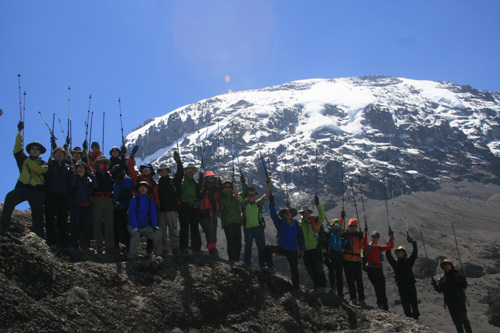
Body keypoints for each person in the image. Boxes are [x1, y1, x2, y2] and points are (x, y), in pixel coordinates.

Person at [1, 122, 48, 237]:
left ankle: (39, 237)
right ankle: (3, 228)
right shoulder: (23, 160)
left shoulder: (44, 163)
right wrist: (19, 132)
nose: (35, 150)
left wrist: (26, 160)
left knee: (38, 214)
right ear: (30, 150)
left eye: (37, 149)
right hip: (22, 188)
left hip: (36, 191)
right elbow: (17, 149)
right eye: (33, 148)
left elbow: (39, 170)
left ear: (40, 152)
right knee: (10, 198)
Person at [266, 200, 305, 291]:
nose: (287, 214)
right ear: (283, 214)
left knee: (294, 270)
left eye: (289, 212)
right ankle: (270, 267)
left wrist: (302, 249)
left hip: (292, 250)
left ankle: (296, 288)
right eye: (286, 213)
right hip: (282, 248)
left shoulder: (297, 225)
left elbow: (300, 238)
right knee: (268, 248)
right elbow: (273, 216)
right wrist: (271, 205)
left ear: (292, 214)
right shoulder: (280, 223)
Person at [234, 177, 271, 269]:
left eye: (253, 195)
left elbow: (267, 194)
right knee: (248, 247)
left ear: (255, 196)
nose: (251, 197)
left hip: (258, 228)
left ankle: (262, 266)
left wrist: (268, 184)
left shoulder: (259, 203)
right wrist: (234, 184)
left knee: (261, 247)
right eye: (249, 195)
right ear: (247, 196)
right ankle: (247, 264)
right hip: (248, 229)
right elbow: (236, 195)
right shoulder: (244, 204)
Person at [44, 146, 73, 249]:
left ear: (65, 156)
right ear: (53, 155)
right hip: (50, 195)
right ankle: (50, 241)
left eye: (62, 153)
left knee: (62, 219)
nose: (59, 154)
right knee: (49, 218)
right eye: (57, 153)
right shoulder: (49, 165)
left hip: (63, 196)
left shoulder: (68, 168)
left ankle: (62, 242)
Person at [173, 152, 202, 254]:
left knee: (195, 228)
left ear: (194, 172)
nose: (190, 172)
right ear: (185, 171)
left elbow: (199, 194)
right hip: (184, 208)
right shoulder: (181, 180)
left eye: (192, 170)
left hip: (194, 209)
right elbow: (179, 173)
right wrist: (179, 162)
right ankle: (184, 247)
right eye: (188, 170)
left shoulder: (195, 183)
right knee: (184, 228)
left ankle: (196, 248)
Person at [431, 259, 472, 333]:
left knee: (464, 320)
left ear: (451, 266)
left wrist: (463, 279)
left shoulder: (456, 274)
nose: (446, 266)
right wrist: (434, 284)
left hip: (459, 300)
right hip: (450, 303)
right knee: (457, 322)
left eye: (447, 264)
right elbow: (440, 290)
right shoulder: (443, 277)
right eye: (444, 265)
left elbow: (464, 286)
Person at [386, 235, 420, 319]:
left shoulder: (408, 261)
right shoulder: (395, 264)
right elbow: (389, 257)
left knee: (414, 304)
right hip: (402, 287)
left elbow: (414, 254)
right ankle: (410, 320)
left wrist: (413, 242)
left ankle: (416, 319)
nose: (398, 253)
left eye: (399, 251)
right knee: (405, 305)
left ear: (404, 252)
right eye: (397, 252)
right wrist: (388, 245)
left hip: (410, 285)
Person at [298, 195, 327, 291]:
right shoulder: (299, 224)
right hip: (305, 251)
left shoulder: (315, 221)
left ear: (309, 213)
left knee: (319, 268)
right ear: (302, 213)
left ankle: (322, 285)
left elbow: (323, 216)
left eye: (307, 212)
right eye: (304, 212)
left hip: (315, 249)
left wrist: (318, 205)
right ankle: (316, 285)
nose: (305, 214)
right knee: (310, 270)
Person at [127, 181, 162, 260]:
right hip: (133, 225)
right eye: (141, 187)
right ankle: (132, 256)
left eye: (144, 187)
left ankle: (158, 255)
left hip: (145, 226)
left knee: (158, 233)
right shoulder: (134, 199)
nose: (142, 189)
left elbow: (153, 213)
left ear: (147, 189)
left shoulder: (150, 200)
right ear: (138, 189)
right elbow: (131, 213)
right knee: (135, 235)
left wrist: (154, 225)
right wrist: (135, 226)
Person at [363, 229, 394, 310]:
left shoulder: (379, 248)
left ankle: (385, 306)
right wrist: (365, 233)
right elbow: (363, 242)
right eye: (374, 237)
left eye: (377, 237)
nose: (375, 238)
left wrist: (391, 237)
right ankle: (380, 304)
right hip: (371, 270)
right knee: (377, 287)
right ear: (371, 238)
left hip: (379, 270)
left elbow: (390, 246)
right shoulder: (368, 247)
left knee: (382, 288)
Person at [70, 160, 97, 252]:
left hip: (87, 205)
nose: (80, 169)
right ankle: (75, 245)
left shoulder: (88, 179)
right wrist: (74, 175)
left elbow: (94, 185)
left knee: (87, 226)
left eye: (82, 167)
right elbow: (72, 185)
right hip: (76, 204)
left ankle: (86, 245)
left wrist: (92, 175)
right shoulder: (74, 177)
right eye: (78, 167)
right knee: (75, 225)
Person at [219, 175, 247, 262]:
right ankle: (231, 260)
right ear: (223, 188)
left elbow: (245, 192)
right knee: (231, 242)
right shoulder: (222, 198)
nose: (227, 188)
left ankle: (237, 260)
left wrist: (243, 183)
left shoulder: (236, 196)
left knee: (238, 243)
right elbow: (219, 211)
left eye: (229, 187)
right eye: (225, 187)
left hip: (237, 223)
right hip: (228, 223)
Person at [92, 155, 115, 254]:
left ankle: (109, 247)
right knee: (97, 223)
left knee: (109, 224)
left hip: (108, 199)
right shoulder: (93, 175)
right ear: (97, 164)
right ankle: (99, 247)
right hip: (97, 199)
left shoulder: (110, 175)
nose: (102, 165)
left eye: (104, 163)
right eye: (100, 163)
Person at [157, 162, 181, 256]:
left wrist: (178, 162)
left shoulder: (173, 181)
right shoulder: (158, 184)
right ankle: (164, 248)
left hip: (171, 209)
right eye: (161, 171)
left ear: (168, 172)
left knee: (173, 230)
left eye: (164, 170)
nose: (163, 172)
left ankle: (175, 248)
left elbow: (180, 174)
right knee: (162, 231)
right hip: (161, 210)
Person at [325, 218, 351, 298]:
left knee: (339, 275)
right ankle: (333, 288)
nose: (336, 227)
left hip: (339, 256)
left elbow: (347, 246)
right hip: (331, 255)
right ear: (332, 226)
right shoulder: (329, 234)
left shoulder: (340, 235)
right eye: (335, 225)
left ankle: (340, 293)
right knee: (332, 272)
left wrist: (347, 239)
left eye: (338, 225)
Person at [198, 170, 223, 256]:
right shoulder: (202, 188)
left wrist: (220, 185)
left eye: (212, 178)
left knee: (214, 231)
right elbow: (199, 196)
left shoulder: (216, 188)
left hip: (213, 213)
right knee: (208, 230)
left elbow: (221, 196)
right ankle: (212, 248)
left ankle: (212, 248)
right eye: (208, 178)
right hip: (204, 213)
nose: (210, 180)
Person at [342, 217, 366, 304]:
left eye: (354, 226)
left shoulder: (358, 236)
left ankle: (361, 298)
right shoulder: (345, 234)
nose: (352, 227)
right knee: (350, 280)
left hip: (357, 260)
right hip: (347, 259)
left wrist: (362, 238)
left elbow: (362, 247)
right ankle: (353, 298)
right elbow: (339, 228)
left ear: (356, 227)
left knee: (359, 280)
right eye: (350, 226)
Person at [112, 165, 133, 253]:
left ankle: (128, 247)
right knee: (115, 227)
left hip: (125, 207)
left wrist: (119, 201)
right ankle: (117, 245)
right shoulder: (116, 181)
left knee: (126, 228)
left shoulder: (127, 179)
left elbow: (127, 193)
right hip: (116, 207)